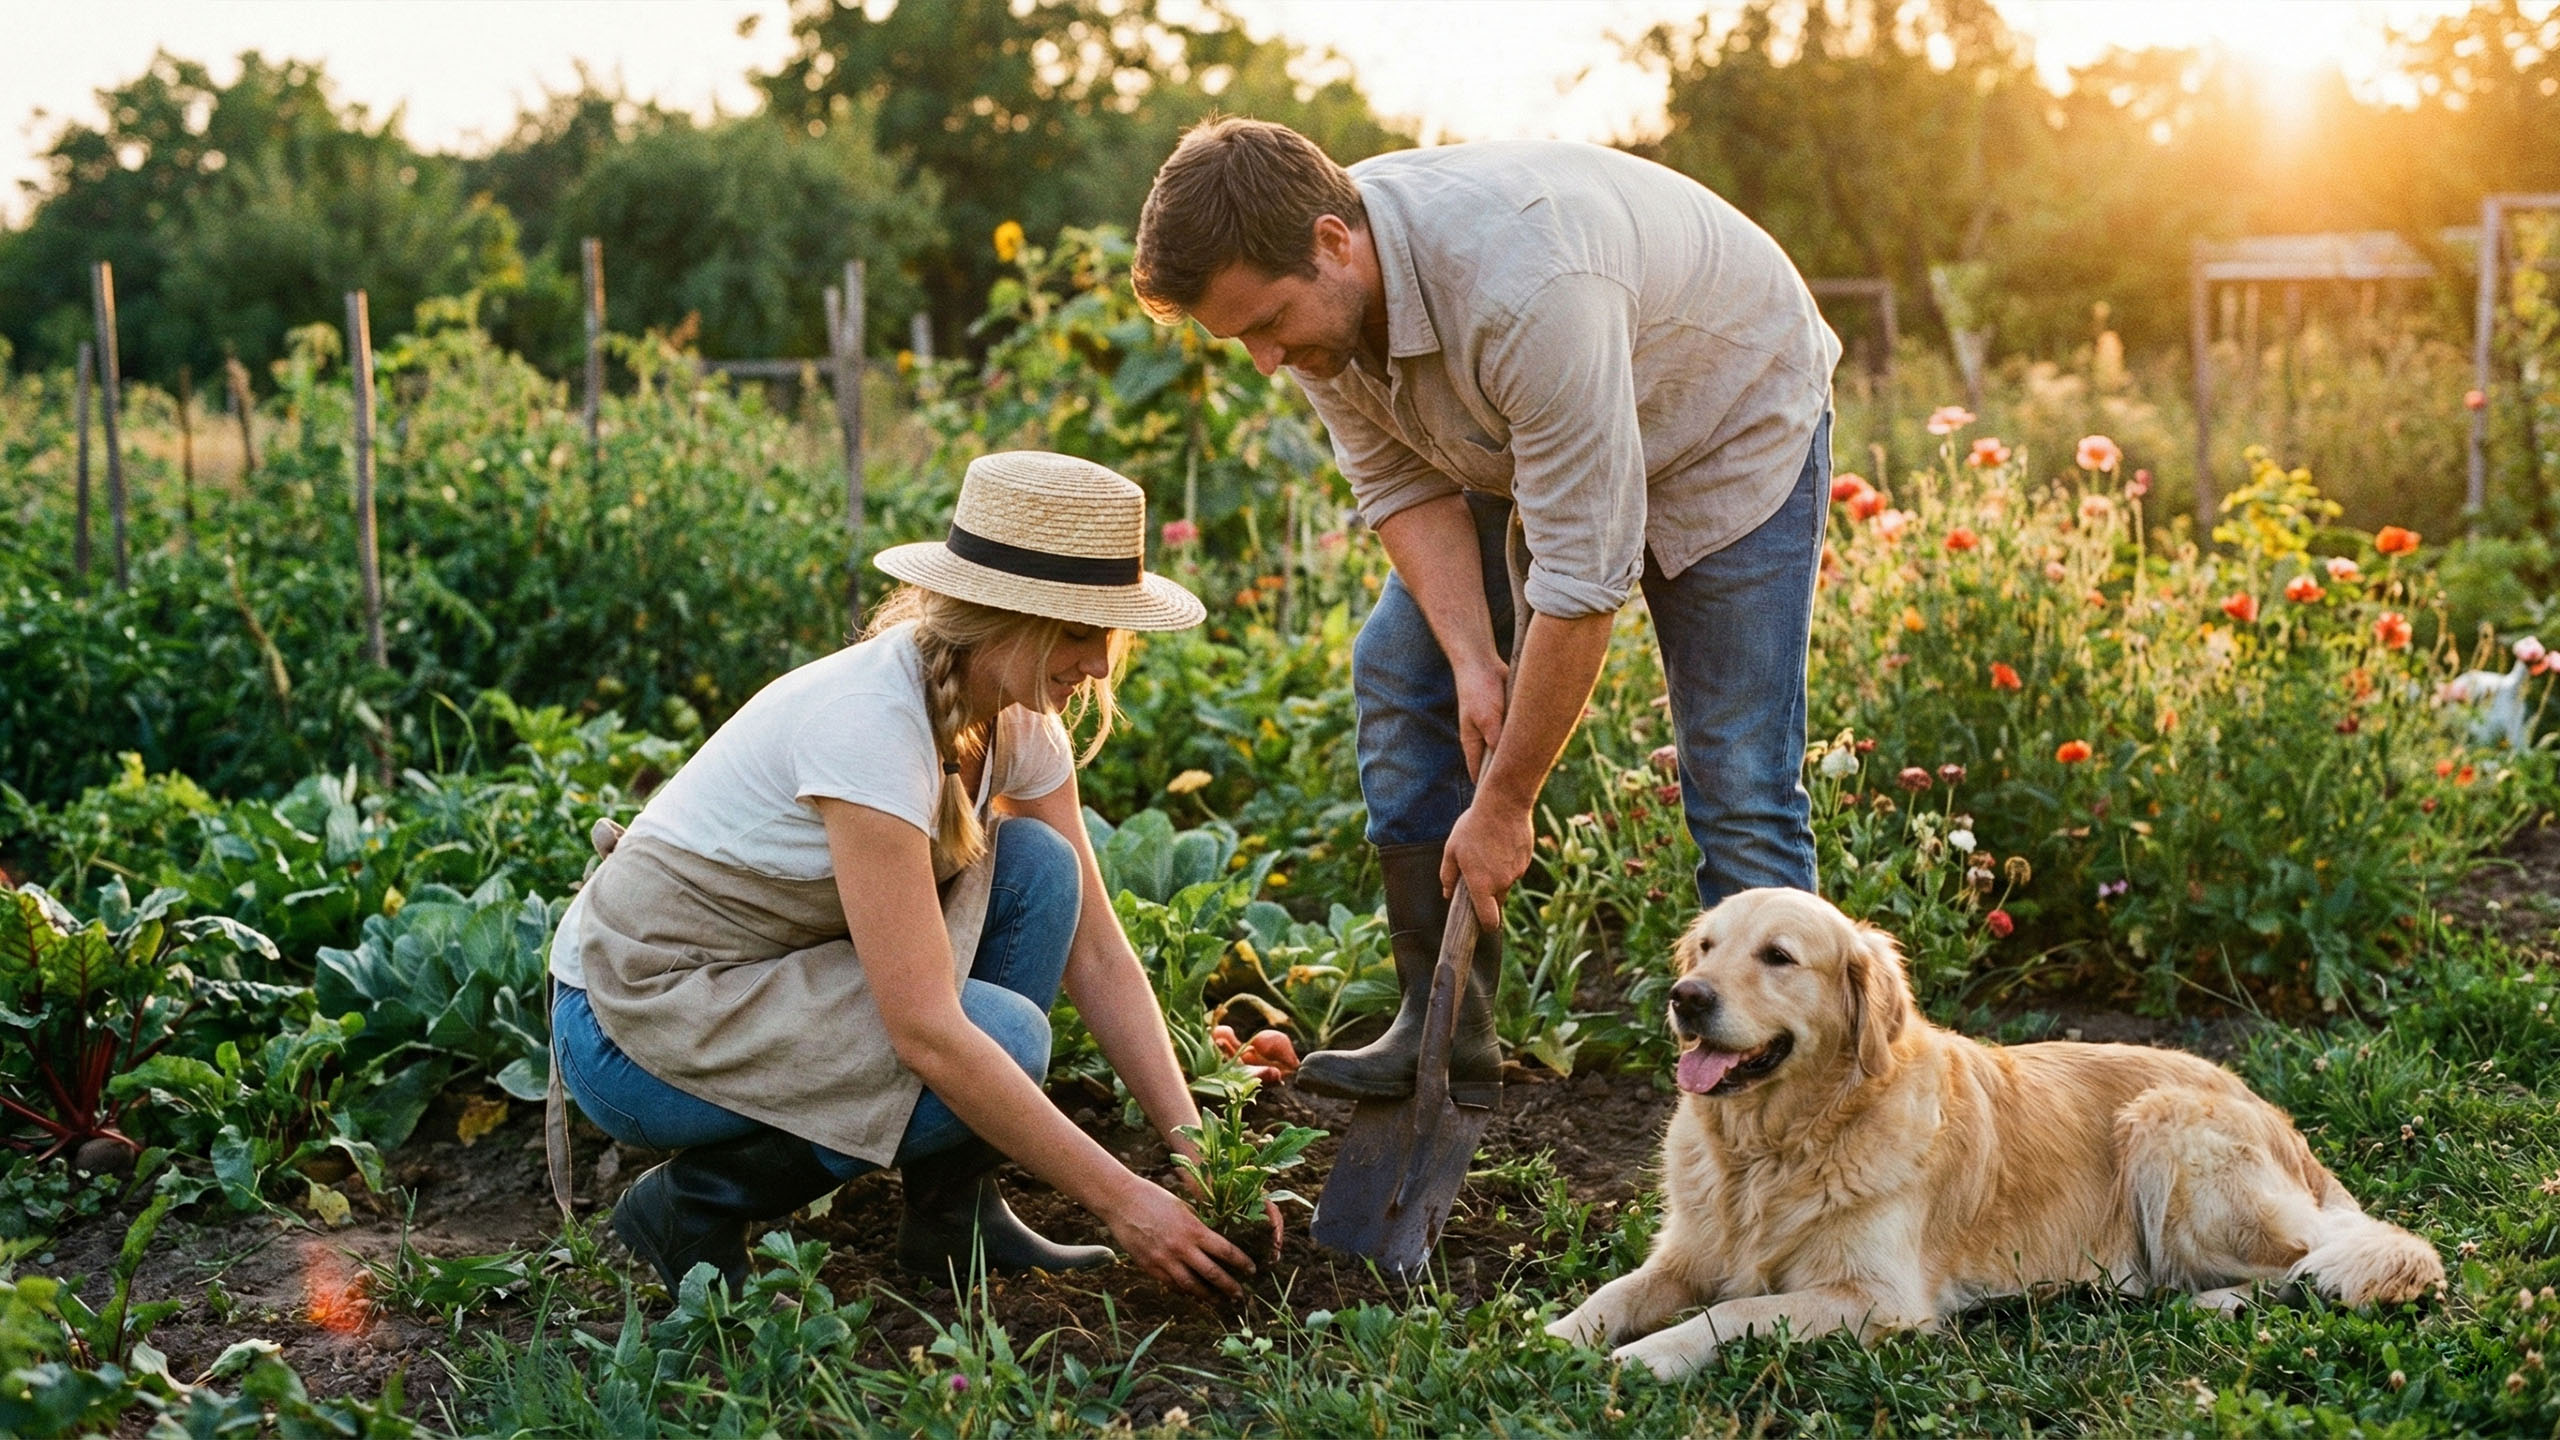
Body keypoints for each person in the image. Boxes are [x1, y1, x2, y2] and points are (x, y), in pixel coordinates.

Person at [1132, 120, 1840, 1106]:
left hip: (1727, 415)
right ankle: (1445, 1023)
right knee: (1399, 669)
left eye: (1269, 323)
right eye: (1240, 336)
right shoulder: (1322, 313)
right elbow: (1399, 488)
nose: (1263, 359)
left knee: (1736, 768)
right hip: (1529, 429)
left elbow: (1581, 579)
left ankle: (1794, 1098)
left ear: (1334, 241)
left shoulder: (1524, 285)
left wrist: (1505, 804)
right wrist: (1472, 657)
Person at [546, 450, 1262, 1301]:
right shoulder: (870, 729)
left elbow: (1098, 954)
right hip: (636, 1024)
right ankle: (691, 1207)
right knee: (1001, 1039)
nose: (1100, 666)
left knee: (1040, 868)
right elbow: (925, 1030)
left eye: (1107, 635)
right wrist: (1123, 1200)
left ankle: (953, 1218)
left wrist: (1194, 1149)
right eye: (1079, 633)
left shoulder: (1020, 718)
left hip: (763, 979)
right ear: (1004, 614)